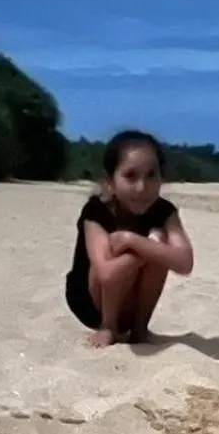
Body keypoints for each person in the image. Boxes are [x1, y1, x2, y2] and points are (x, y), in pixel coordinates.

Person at [63, 129, 194, 348]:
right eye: (130, 176)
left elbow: (185, 262)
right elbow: (105, 273)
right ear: (111, 181)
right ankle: (108, 327)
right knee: (129, 248)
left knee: (158, 244)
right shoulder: (97, 211)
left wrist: (133, 241)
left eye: (152, 175)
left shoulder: (163, 211)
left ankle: (140, 328)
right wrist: (150, 249)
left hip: (131, 305)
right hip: (91, 303)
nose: (142, 188)